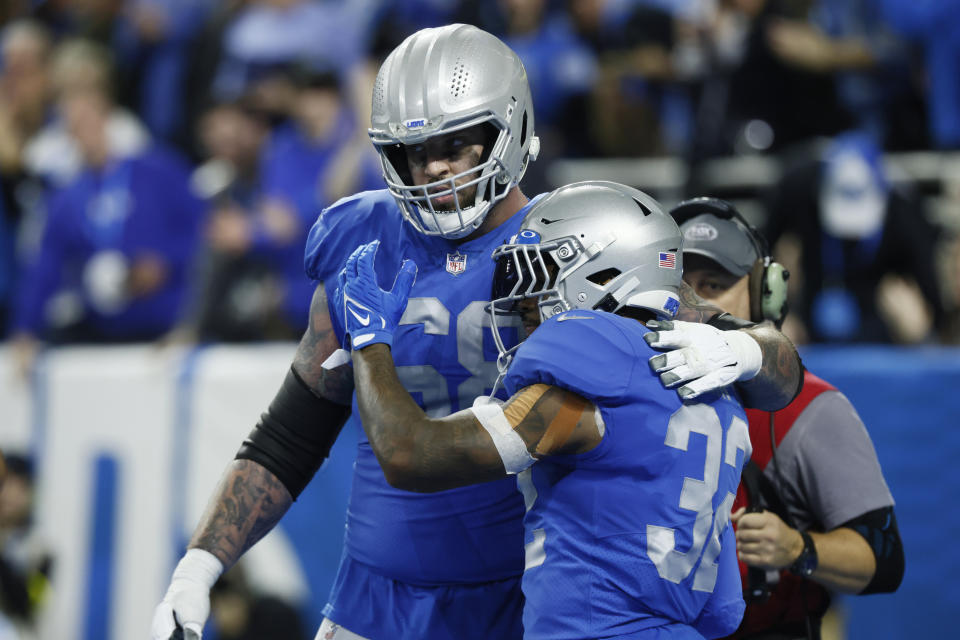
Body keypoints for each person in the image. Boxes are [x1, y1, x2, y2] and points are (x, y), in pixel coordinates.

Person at [152, 24, 802, 640]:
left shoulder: (576, 238)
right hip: (374, 599)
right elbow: (293, 431)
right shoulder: (363, 239)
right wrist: (201, 565)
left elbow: (777, 373)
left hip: (522, 599)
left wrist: (745, 347)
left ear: (510, 127)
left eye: (454, 143)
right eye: (413, 151)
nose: (434, 169)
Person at [338, 181, 752, 639]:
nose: (523, 302)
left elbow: (409, 455)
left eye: (543, 274)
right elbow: (724, 611)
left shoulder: (587, 368)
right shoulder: (719, 396)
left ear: (601, 274)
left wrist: (369, 342)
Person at [670, 197, 905, 640]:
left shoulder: (809, 409)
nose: (693, 306)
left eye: (713, 284)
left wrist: (799, 547)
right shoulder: (625, 398)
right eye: (679, 288)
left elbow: (884, 559)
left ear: (764, 295)